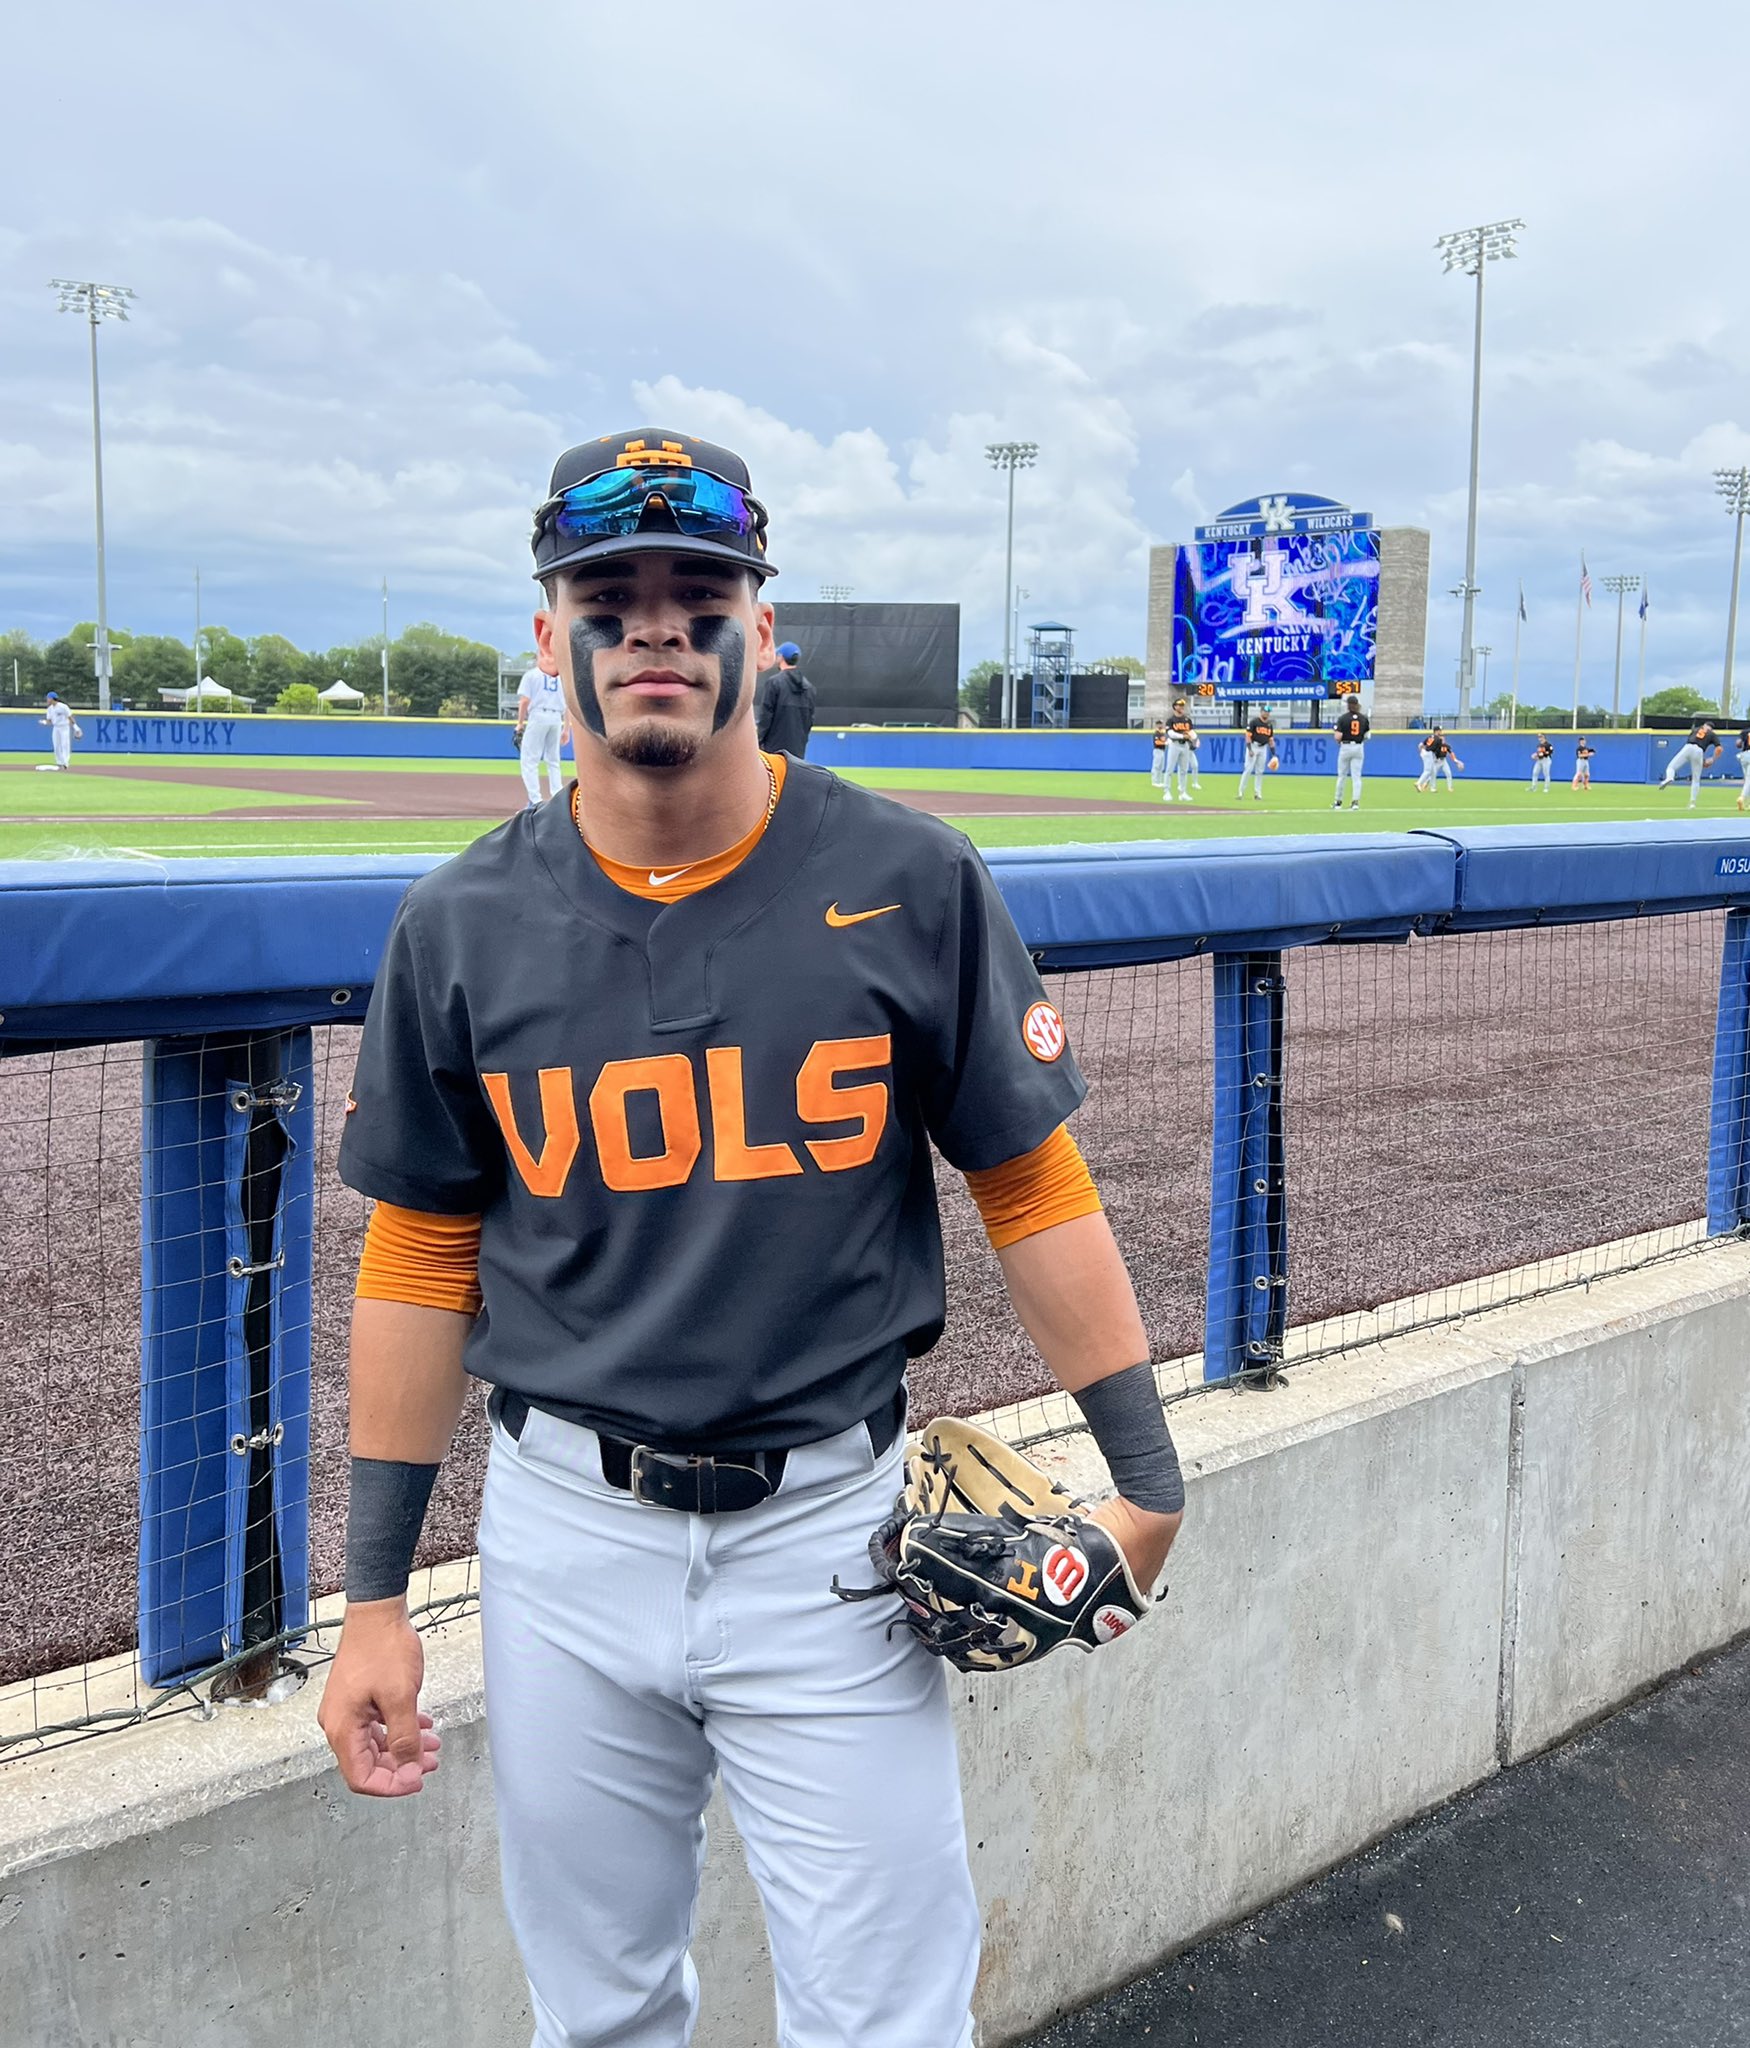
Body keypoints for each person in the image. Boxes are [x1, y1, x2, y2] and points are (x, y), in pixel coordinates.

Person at [319, 427, 1184, 2048]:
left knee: (886, 2017)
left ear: (760, 630)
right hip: (565, 1535)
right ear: (549, 632)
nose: (656, 625)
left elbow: (1032, 1184)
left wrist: (1148, 1471)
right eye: (610, 592)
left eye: (698, 590)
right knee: (600, 2012)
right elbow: (419, 1260)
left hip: (835, 1546)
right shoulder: (460, 922)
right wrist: (374, 1597)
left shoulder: (907, 874)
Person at [513, 664, 570, 807]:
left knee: (530, 760)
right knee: (553, 760)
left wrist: (520, 723)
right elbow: (568, 705)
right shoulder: (561, 677)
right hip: (556, 718)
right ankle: (558, 796)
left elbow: (524, 700)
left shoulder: (532, 674)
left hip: (538, 715)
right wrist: (566, 728)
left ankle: (535, 800)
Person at [754, 638, 816, 757]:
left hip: (774, 750)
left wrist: (759, 742)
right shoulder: (809, 688)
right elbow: (809, 721)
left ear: (781, 657)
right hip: (798, 751)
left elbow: (765, 717)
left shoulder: (774, 683)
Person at [1661, 717, 1721, 809]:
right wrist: (1713, 759)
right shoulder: (1712, 734)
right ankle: (1692, 803)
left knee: (1671, 767)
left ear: (1704, 725)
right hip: (1699, 751)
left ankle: (1669, 777)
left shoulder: (1696, 729)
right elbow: (1719, 748)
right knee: (1696, 779)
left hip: (1688, 747)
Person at [1331, 695, 1369, 809]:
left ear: (1348, 705)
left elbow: (1338, 737)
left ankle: (1338, 802)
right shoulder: (1364, 718)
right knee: (1356, 777)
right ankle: (1355, 803)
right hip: (1358, 747)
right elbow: (1367, 736)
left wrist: (1339, 739)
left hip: (1346, 747)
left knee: (1342, 776)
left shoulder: (1343, 718)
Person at [1236, 711, 1277, 801]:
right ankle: (1240, 792)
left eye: (1268, 712)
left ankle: (1258, 794)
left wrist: (1274, 754)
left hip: (1263, 748)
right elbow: (1248, 736)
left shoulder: (1269, 725)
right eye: (1265, 712)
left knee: (1260, 771)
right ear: (1261, 712)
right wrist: (1249, 749)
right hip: (1253, 746)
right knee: (1248, 769)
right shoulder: (1254, 722)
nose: (1267, 714)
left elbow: (1271, 740)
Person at [1164, 697, 1197, 803]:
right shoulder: (1171, 720)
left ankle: (1183, 792)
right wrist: (1183, 736)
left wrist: (1194, 738)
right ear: (1175, 707)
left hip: (1185, 746)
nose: (1182, 707)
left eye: (1183, 705)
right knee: (1169, 769)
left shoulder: (1187, 720)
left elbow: (1191, 731)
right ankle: (1167, 792)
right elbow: (1170, 733)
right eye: (1180, 705)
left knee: (1184, 770)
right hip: (1174, 744)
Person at [39, 691, 83, 771]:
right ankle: (59, 762)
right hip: (56, 728)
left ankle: (66, 762)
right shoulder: (49, 709)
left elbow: (70, 717)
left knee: (65, 745)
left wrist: (76, 727)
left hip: (64, 727)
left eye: (48, 698)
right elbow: (50, 721)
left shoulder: (63, 707)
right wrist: (44, 722)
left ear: (52, 698)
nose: (47, 700)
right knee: (56, 745)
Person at [1420, 725, 1463, 794]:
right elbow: (1432, 752)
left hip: (1443, 761)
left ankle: (1450, 787)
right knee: (1432, 775)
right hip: (1436, 761)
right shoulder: (1437, 744)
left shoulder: (1446, 746)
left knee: (1448, 773)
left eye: (1443, 737)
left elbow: (1451, 753)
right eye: (1441, 737)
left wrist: (1456, 761)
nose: (1443, 738)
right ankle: (1425, 784)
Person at [1149, 719, 1167, 788]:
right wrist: (1165, 743)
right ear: (1156, 725)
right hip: (1157, 750)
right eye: (1158, 724)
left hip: (1162, 750)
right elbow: (1157, 742)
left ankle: (1159, 781)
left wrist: (1165, 742)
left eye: (1161, 724)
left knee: (1161, 767)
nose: (1160, 725)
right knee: (1156, 766)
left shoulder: (1162, 733)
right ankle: (1154, 781)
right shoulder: (1156, 733)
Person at [1737, 726, 1750, 813]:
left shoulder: (1745, 731)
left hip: (1744, 755)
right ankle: (1742, 797)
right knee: (1749, 780)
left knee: (1747, 780)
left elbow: (1738, 743)